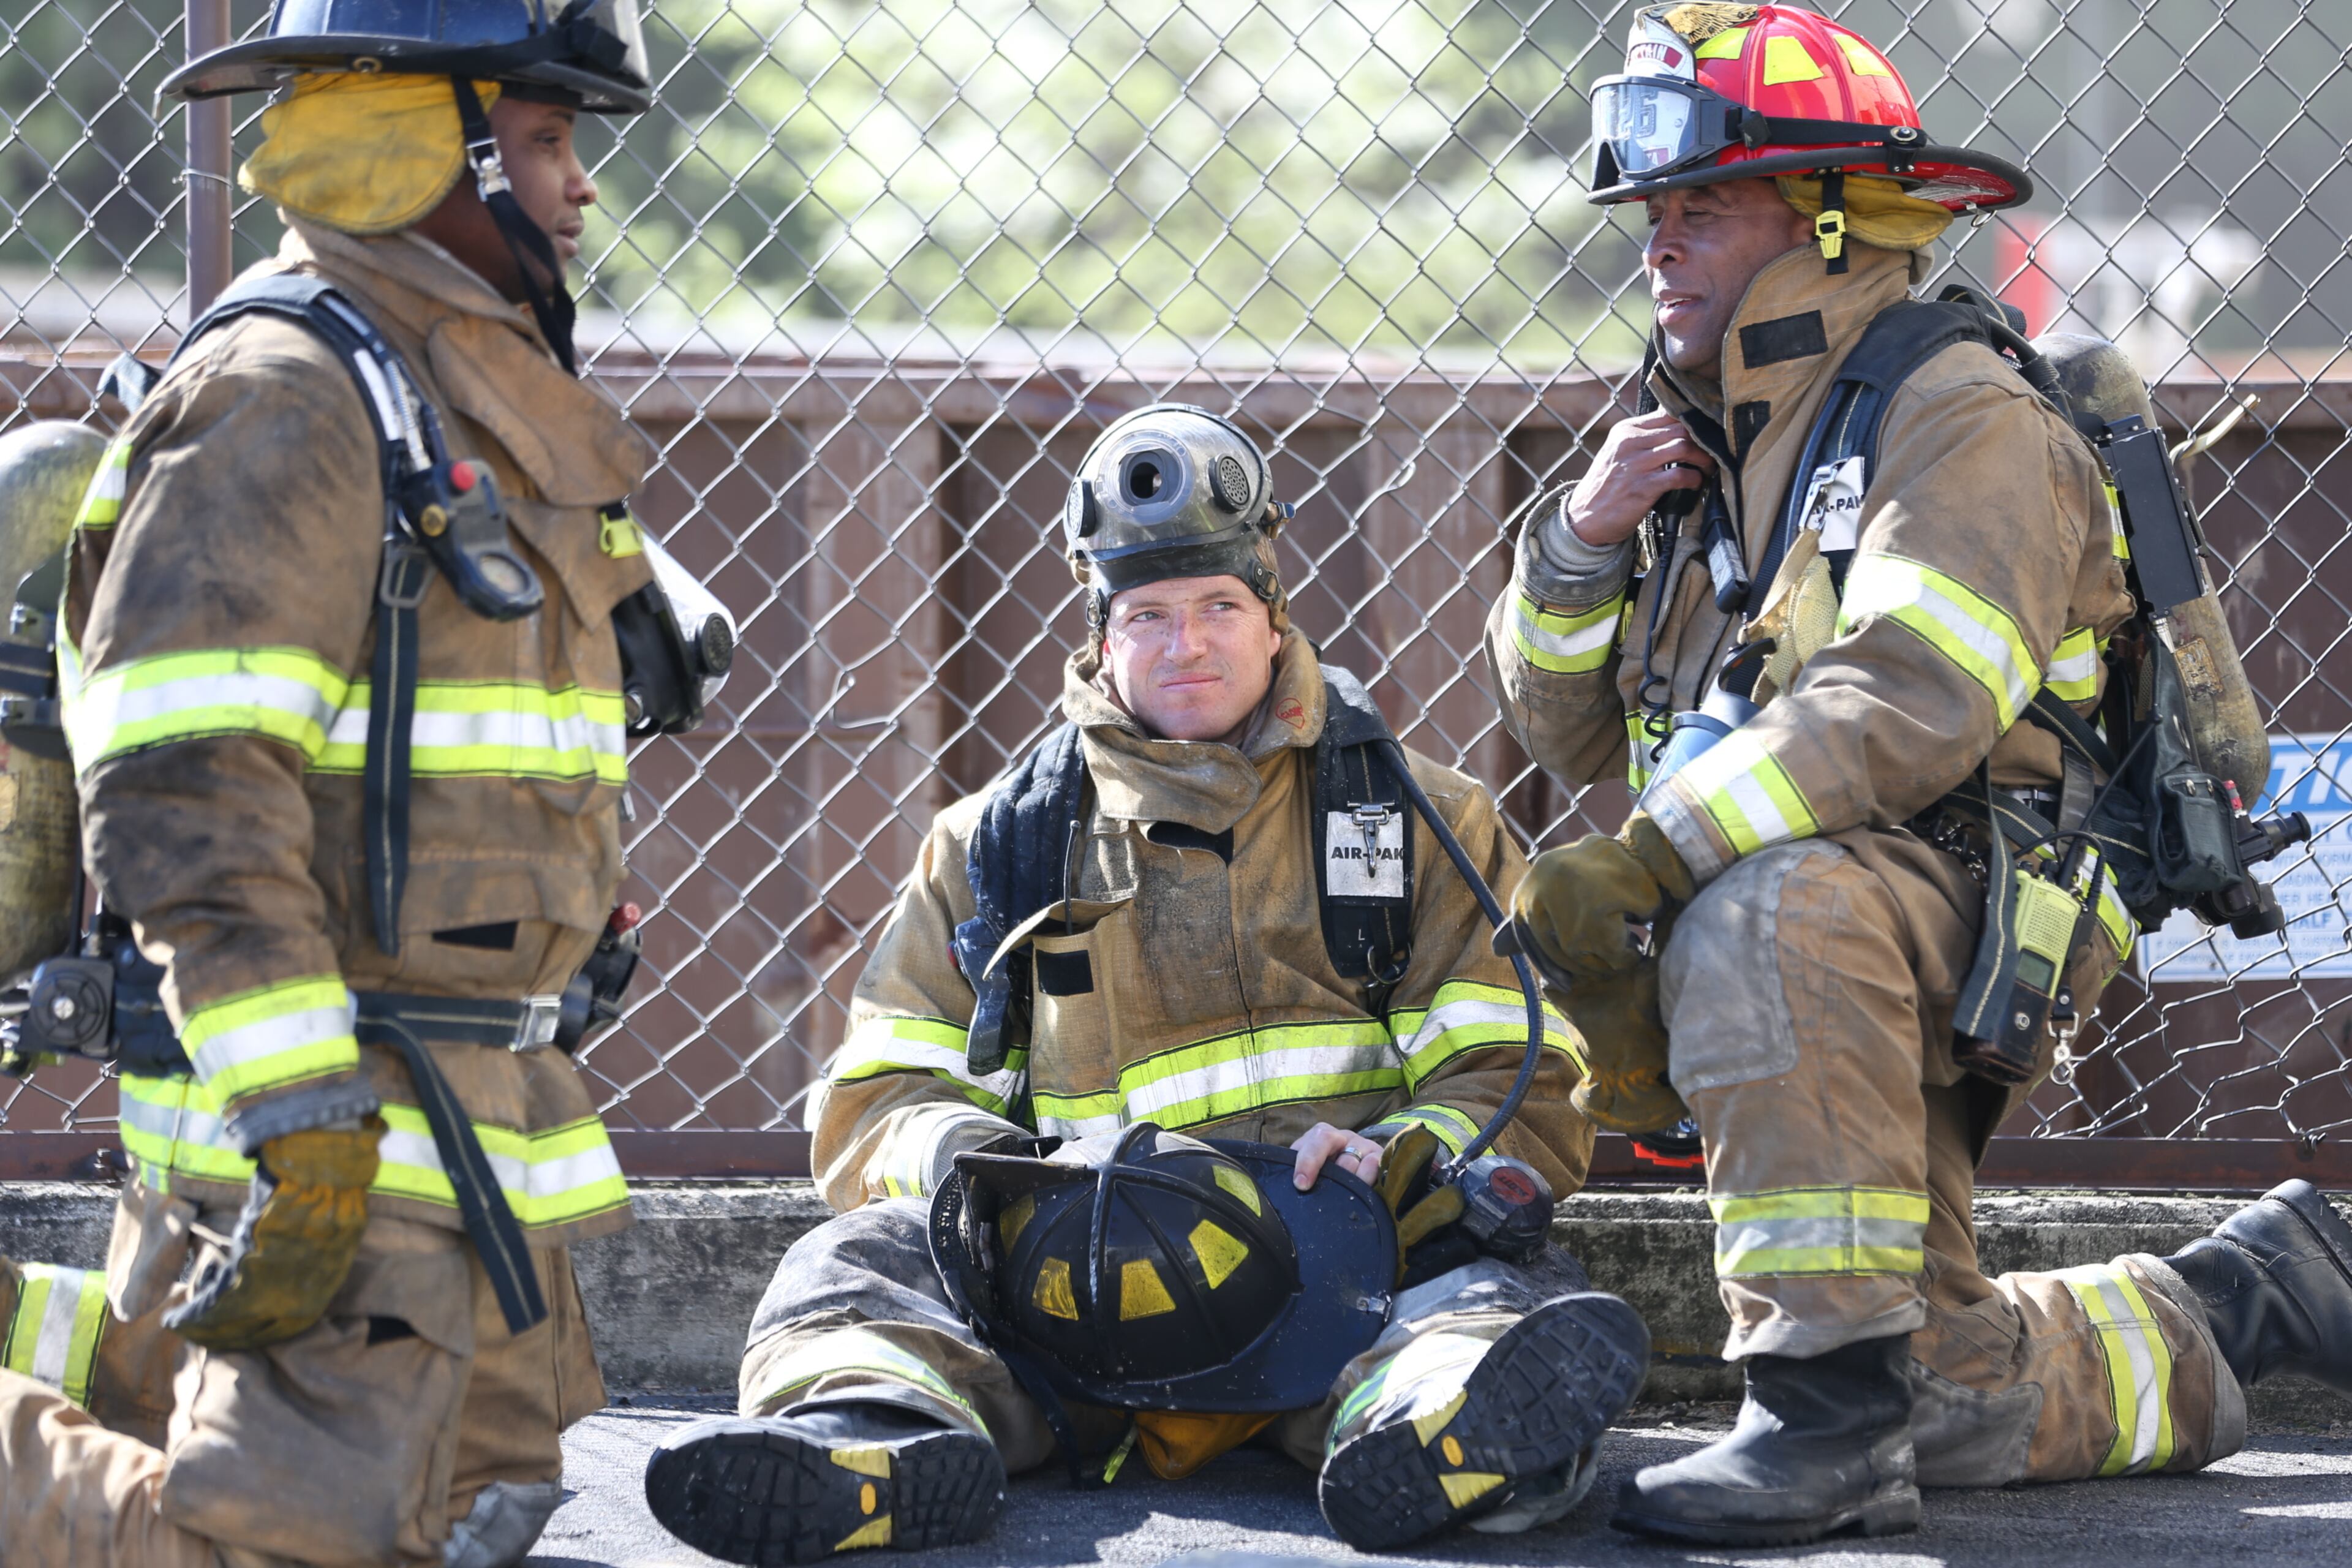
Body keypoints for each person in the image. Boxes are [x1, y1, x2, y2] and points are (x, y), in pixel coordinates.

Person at [1490, 0, 2352, 1547]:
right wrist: (1580, 547)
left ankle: (1814, 1425)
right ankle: (2245, 1293)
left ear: (1830, 217)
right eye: (1650, 214)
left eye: (1704, 206)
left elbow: (1916, 693)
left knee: (1769, 902)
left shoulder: (1961, 410)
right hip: (1842, 885)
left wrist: (1667, 856)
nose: (1657, 246)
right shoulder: (1703, 440)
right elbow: (1569, 733)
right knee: (1943, 1382)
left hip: (1978, 882)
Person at [643, 403, 1649, 1564]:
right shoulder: (992, 845)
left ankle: (1436, 1425)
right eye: (1150, 616)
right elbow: (876, 1104)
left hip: (1344, 1282)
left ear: (1274, 621)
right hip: (1078, 1305)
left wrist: (1401, 1159)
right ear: (1100, 638)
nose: (1188, 647)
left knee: (1493, 1285)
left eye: (1220, 607)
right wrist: (1012, 1178)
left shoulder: (1421, 817)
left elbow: (1524, 1073)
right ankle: (872, 1441)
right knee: (854, 1265)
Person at [0, 3, 668, 1564]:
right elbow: (186, 796)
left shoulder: (465, 387)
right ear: (411, 144)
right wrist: (302, 1118)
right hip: (334, 1131)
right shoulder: (286, 393)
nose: (580, 191)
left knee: (456, 1532)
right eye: (549, 139)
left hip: (474, 1136)